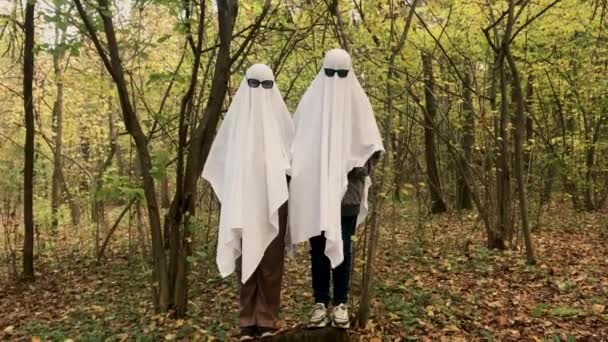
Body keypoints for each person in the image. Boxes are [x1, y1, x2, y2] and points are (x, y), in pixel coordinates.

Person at [288, 49, 384, 329]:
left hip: (348, 195)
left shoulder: (358, 103)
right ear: (322, 73)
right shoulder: (311, 104)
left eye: (341, 74)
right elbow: (297, 145)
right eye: (330, 73)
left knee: (343, 245)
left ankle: (340, 302)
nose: (336, 80)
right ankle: (320, 302)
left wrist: (352, 167)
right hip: (317, 193)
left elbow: (372, 148)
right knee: (318, 248)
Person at [202, 64, 294, 341]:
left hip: (274, 202)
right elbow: (219, 164)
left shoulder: (281, 122)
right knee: (245, 258)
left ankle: (266, 319)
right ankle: (246, 320)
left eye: (266, 85)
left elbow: (295, 159)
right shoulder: (235, 123)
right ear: (245, 85)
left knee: (271, 260)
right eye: (254, 84)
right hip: (242, 201)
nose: (260, 91)